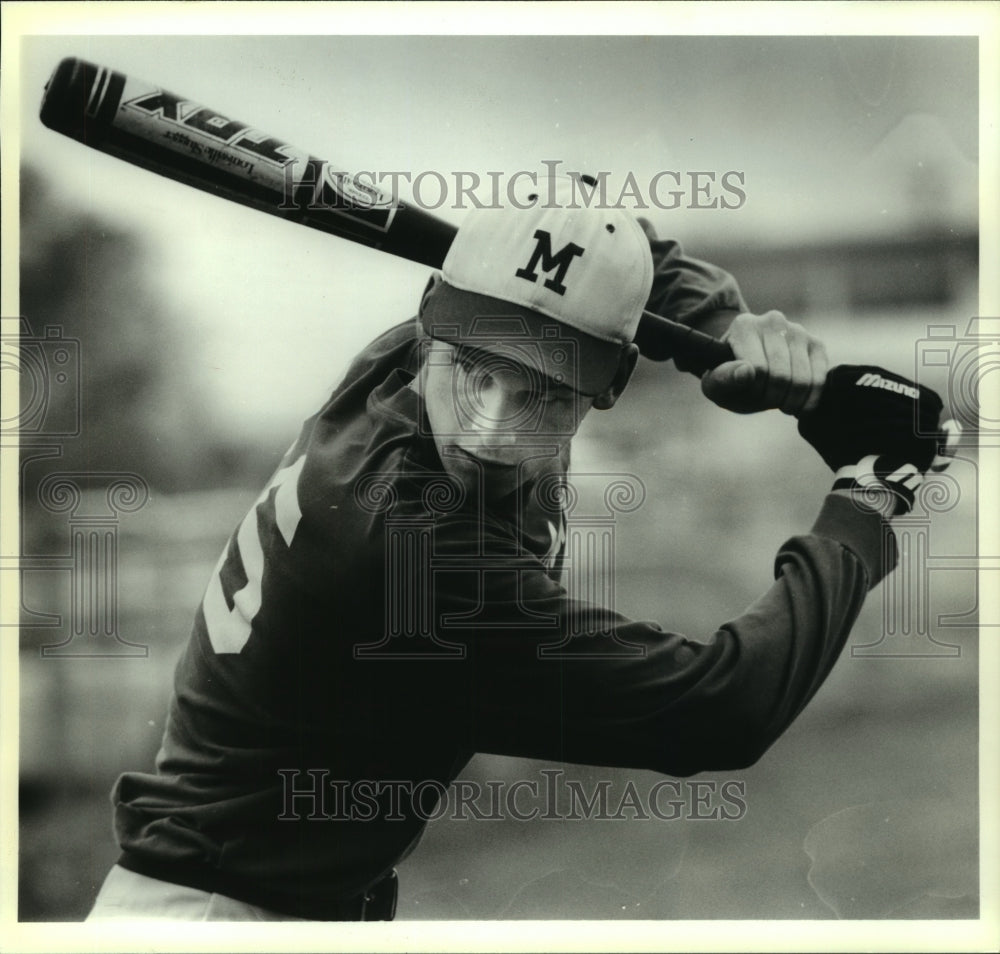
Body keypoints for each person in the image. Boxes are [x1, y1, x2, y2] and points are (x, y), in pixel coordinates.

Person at [86, 178, 948, 921]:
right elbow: (721, 708)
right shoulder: (411, 557)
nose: (494, 430)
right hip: (218, 916)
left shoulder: (405, 361)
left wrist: (724, 327)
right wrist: (867, 493)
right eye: (477, 373)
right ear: (436, 333)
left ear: (602, 386)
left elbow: (599, 236)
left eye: (544, 393)